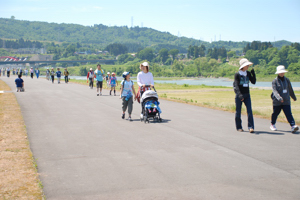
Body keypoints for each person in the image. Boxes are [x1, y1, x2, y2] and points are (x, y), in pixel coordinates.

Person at [270, 65, 298, 133]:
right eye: (280, 72)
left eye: (283, 72)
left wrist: (293, 97)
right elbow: (275, 91)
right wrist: (279, 98)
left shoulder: (287, 80)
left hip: (286, 100)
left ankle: (293, 126)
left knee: (288, 113)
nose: (282, 73)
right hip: (277, 101)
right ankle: (272, 124)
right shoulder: (274, 81)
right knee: (275, 113)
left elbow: (290, 89)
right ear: (278, 73)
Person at [233, 58, 256, 133]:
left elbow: (253, 82)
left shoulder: (248, 73)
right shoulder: (237, 74)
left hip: (247, 95)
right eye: (247, 65)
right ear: (243, 66)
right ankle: (239, 127)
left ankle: (251, 127)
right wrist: (239, 95)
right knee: (238, 111)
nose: (248, 66)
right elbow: (236, 85)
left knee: (249, 111)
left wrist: (253, 74)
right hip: (239, 95)